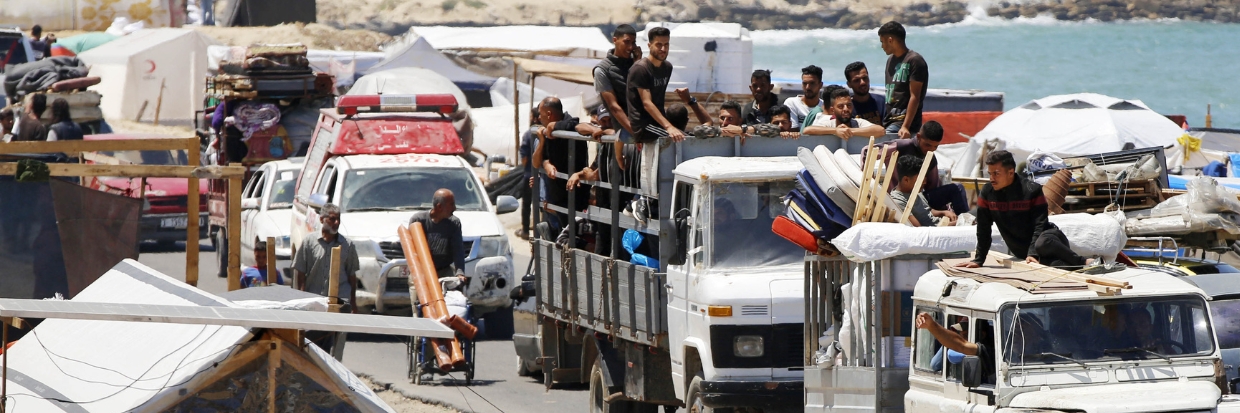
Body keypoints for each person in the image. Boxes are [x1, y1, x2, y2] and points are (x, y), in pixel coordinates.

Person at [957, 150, 1089, 268]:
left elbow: (1040, 224)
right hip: (1023, 252)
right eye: (990, 174)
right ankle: (1082, 267)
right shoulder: (987, 192)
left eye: (996, 174)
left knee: (1043, 243)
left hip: (1049, 241)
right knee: (1062, 267)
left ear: (1010, 172)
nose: (991, 178)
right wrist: (978, 260)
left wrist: (1032, 253)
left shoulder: (1032, 190)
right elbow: (983, 228)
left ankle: (1083, 261)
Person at [292, 203, 359, 359]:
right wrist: (301, 298)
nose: (336, 223)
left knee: (337, 346)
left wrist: (353, 304)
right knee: (313, 345)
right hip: (316, 301)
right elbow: (300, 271)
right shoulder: (309, 242)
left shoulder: (347, 245)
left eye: (338, 219)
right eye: (332, 219)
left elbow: (351, 276)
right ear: (322, 219)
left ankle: (336, 374)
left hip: (341, 301)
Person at [877, 121, 969, 214]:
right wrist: (870, 181)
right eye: (928, 145)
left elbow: (933, 187)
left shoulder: (931, 158)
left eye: (935, 147)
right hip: (897, 199)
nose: (931, 149)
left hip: (918, 201)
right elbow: (867, 151)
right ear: (918, 137)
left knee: (957, 188)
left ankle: (966, 223)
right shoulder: (901, 146)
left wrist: (943, 210)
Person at [533, 97, 595, 228]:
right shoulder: (547, 131)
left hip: (573, 194)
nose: (539, 117)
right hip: (556, 196)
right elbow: (538, 162)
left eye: (541, 113)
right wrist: (546, 164)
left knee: (574, 234)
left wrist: (553, 125)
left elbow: (576, 124)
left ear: (549, 114)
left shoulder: (569, 125)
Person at [409, 189, 469, 293]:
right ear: (440, 206)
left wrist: (460, 273)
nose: (454, 208)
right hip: (421, 272)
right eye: (452, 204)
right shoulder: (418, 220)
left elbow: (458, 249)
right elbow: (412, 249)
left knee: (449, 303)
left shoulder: (454, 223)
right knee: (421, 304)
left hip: (444, 271)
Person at [878, 21, 929, 139]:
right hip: (889, 122)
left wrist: (906, 126)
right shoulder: (890, 60)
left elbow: (915, 97)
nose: (882, 46)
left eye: (882, 42)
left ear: (890, 40)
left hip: (904, 125)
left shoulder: (915, 60)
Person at [916, 313, 994, 382]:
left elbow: (962, 345)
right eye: (959, 334)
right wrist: (949, 344)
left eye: (966, 335)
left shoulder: (986, 350)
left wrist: (931, 325)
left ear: (982, 335)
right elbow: (935, 364)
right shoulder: (953, 346)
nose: (961, 338)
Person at [891, 154, 956, 227]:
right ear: (906, 180)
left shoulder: (915, 191)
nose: (924, 182)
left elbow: (927, 211)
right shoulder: (898, 201)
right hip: (934, 232)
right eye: (921, 179)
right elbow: (919, 230)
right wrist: (954, 225)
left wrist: (944, 212)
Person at [802, 88, 885, 138]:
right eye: (841, 106)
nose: (846, 109)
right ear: (833, 110)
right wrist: (835, 131)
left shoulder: (858, 122)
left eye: (849, 105)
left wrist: (849, 131)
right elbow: (807, 130)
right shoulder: (828, 124)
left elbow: (880, 130)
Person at [517, 105, 540, 240]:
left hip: (529, 174)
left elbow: (524, 157)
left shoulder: (528, 134)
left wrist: (527, 169)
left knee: (527, 204)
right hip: (542, 175)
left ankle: (526, 230)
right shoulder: (547, 132)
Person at [845, 61, 886, 126]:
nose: (862, 82)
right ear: (849, 84)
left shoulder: (882, 102)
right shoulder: (846, 108)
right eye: (856, 80)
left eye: (865, 78)